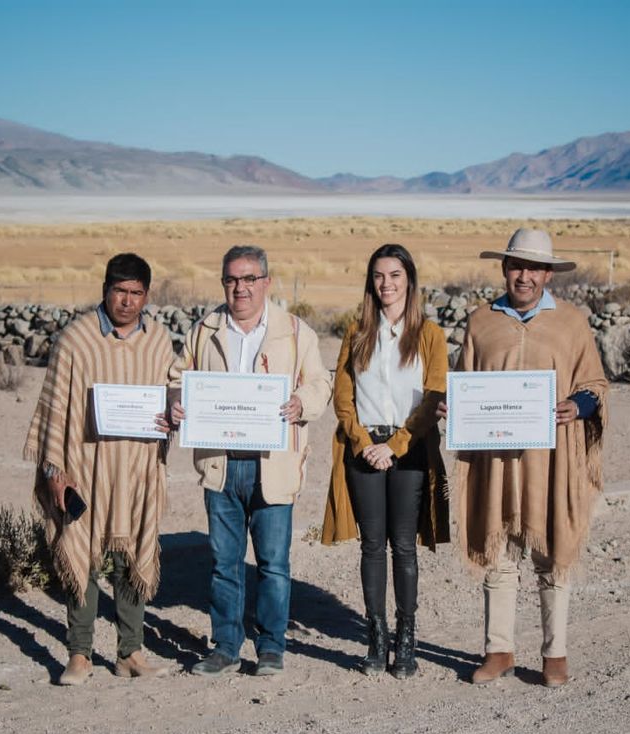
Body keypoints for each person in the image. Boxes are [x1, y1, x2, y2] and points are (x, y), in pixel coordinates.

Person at [450, 228, 607, 688]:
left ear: (547, 273)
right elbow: (466, 381)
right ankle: (498, 650)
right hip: (495, 459)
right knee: (496, 552)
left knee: (550, 552)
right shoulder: (481, 322)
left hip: (551, 458)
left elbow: (595, 386)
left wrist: (577, 406)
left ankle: (554, 654)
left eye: (533, 267)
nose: (524, 275)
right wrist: (455, 406)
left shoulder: (571, 323)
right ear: (504, 269)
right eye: (516, 265)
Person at [169, 245, 332, 677]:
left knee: (274, 564)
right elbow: (176, 376)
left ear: (267, 282)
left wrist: (302, 403)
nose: (239, 288)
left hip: (273, 464)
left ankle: (271, 646)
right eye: (231, 279)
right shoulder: (204, 330)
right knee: (224, 563)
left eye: (248, 279)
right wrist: (176, 401)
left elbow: (320, 382)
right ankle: (225, 645)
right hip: (221, 464)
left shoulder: (296, 332)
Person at [23, 253, 175, 686]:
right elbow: (54, 409)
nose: (127, 301)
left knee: (131, 554)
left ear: (147, 295)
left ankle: (130, 652)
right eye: (119, 291)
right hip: (85, 466)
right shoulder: (77, 339)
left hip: (137, 468)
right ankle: (79, 653)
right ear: (105, 290)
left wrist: (174, 412)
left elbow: (172, 393)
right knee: (82, 554)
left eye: (136, 293)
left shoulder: (158, 341)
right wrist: (55, 469)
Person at [321, 243, 449, 679]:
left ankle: (406, 639)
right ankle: (376, 638)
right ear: (370, 282)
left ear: (409, 280)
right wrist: (361, 442)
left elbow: (434, 398)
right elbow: (342, 394)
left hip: (409, 450)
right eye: (378, 276)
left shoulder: (429, 334)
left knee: (404, 546)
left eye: (395, 275)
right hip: (364, 451)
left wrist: (394, 446)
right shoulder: (357, 331)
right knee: (372, 547)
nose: (386, 284)